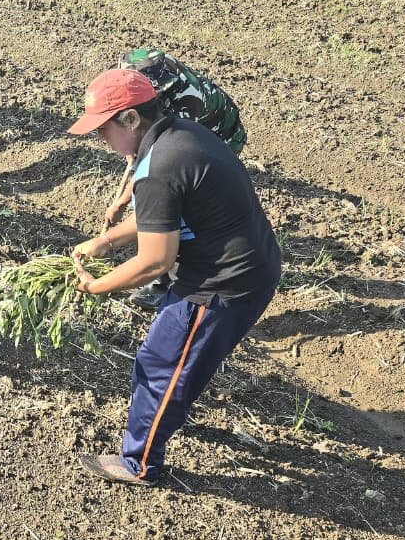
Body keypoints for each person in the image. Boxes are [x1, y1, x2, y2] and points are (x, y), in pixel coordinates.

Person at [67, 70, 281, 487]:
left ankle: (139, 464)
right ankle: (165, 414)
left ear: (131, 119)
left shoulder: (159, 167)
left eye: (104, 129)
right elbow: (160, 215)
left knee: (161, 368)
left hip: (222, 284)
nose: (101, 139)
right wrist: (106, 240)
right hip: (244, 265)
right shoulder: (178, 135)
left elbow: (154, 262)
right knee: (167, 359)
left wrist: (95, 286)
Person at [106, 48, 248, 308]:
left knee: (176, 206)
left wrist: (122, 202)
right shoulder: (137, 74)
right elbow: (138, 141)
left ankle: (163, 282)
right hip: (180, 137)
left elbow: (161, 164)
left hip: (221, 136)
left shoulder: (186, 104)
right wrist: (132, 154)